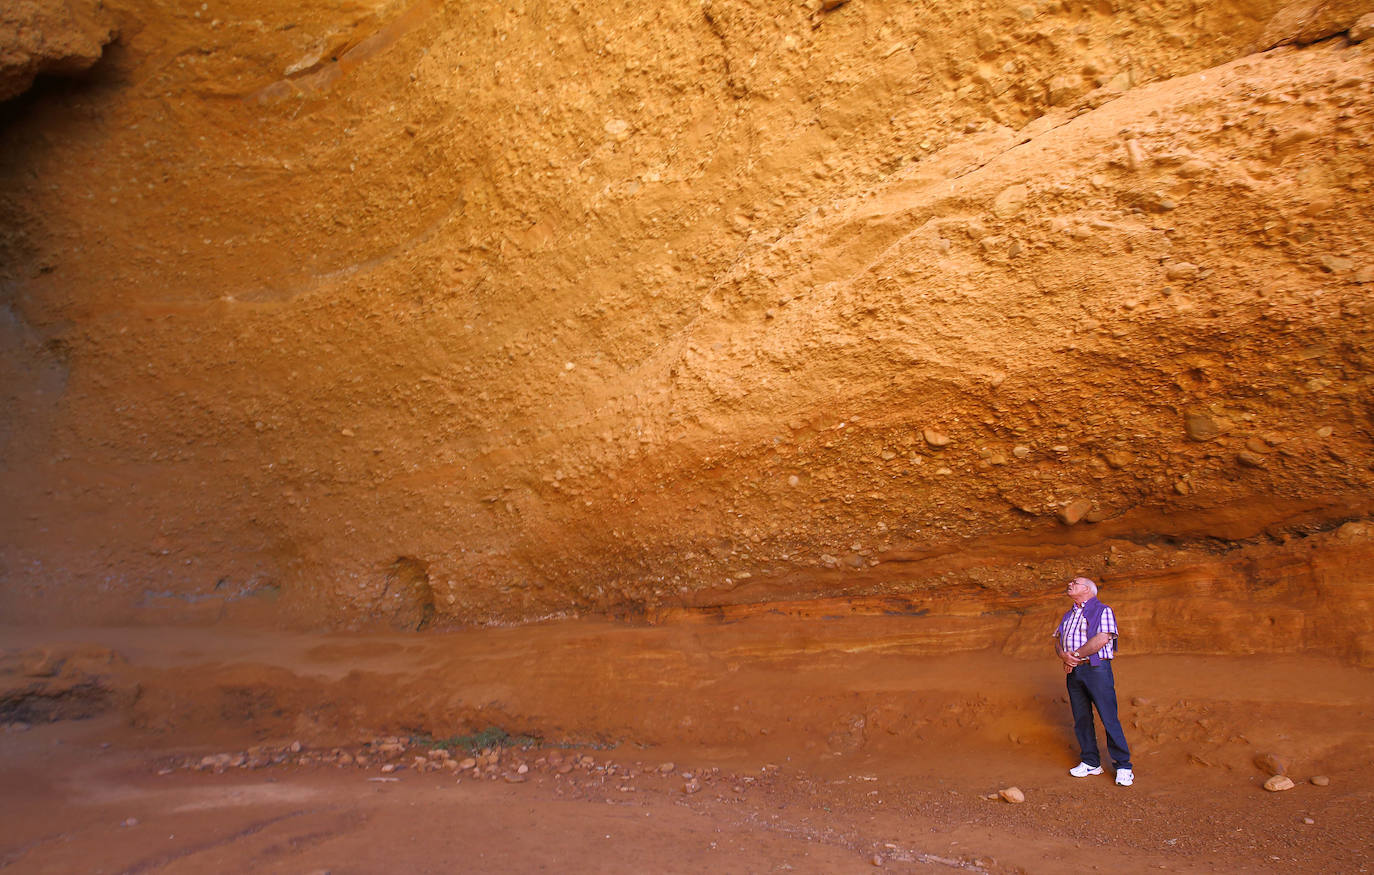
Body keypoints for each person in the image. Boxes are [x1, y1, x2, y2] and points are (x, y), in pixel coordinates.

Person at [1053, 576, 1133, 787]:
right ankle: (1091, 762)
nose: (1070, 584)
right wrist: (1064, 656)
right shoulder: (1068, 615)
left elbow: (1102, 638)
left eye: (1075, 583)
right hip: (1075, 671)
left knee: (1108, 717)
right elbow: (1058, 640)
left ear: (1088, 590)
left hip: (1096, 669)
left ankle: (1123, 765)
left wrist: (1075, 656)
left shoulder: (1103, 610)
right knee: (1081, 718)